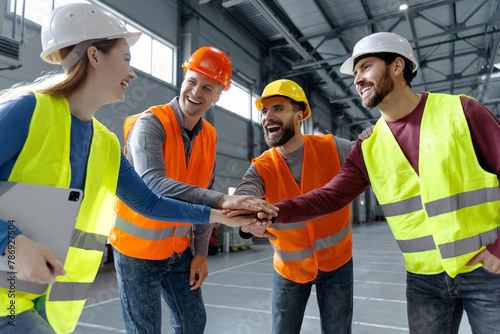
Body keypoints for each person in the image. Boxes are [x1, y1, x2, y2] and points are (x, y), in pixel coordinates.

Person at [0, 4, 268, 334]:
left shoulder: (105, 143)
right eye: (126, 58)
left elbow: (149, 203)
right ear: (95, 56)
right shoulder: (28, 110)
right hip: (7, 298)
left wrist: (220, 216)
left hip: (49, 301)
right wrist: (10, 243)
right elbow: (157, 187)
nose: (133, 72)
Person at [258, 32, 500, 333]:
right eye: (355, 73)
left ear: (397, 66)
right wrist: (273, 211)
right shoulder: (369, 147)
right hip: (424, 280)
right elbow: (329, 197)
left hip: (486, 271)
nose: (357, 79)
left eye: (366, 67)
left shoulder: (461, 112)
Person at [110, 46, 276, 334]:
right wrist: (225, 200)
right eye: (192, 81)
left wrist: (200, 252)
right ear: (183, 79)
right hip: (137, 250)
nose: (196, 92)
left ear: (219, 95)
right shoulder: (150, 124)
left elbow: (204, 188)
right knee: (145, 330)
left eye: (208, 87)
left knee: (193, 323)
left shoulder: (209, 136)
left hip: (178, 250)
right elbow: (154, 184)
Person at [232, 79, 355, 334]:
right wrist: (247, 224)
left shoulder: (333, 147)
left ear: (299, 116)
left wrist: (370, 139)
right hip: (289, 268)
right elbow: (244, 197)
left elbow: (371, 155)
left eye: (278, 108)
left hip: (337, 263)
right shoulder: (261, 166)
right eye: (264, 111)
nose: (268, 116)